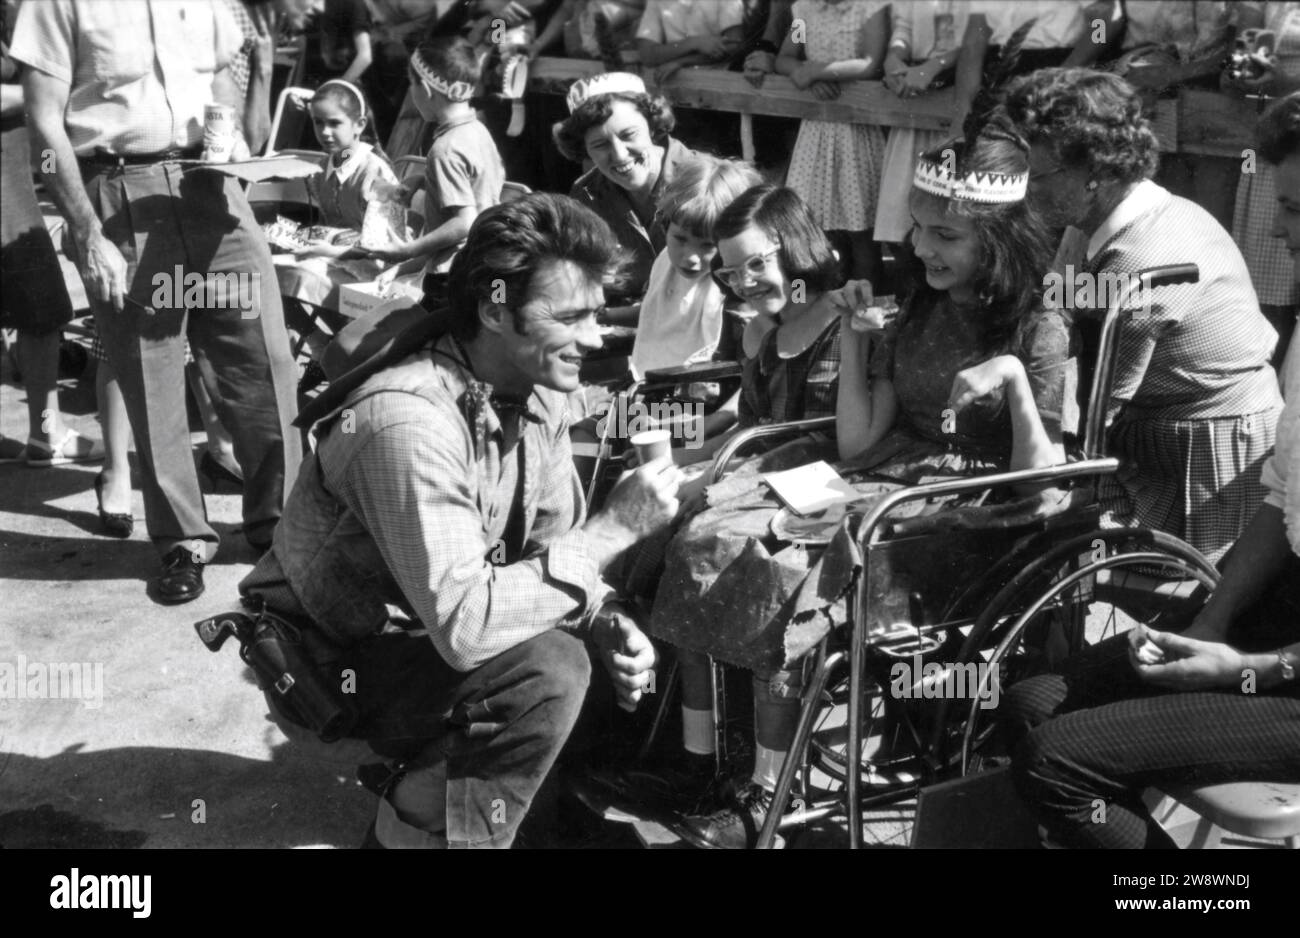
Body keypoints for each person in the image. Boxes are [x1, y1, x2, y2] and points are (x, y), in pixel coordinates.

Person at [238, 193, 682, 849]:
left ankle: (533, 811)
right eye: (571, 316)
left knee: (629, 636)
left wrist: (607, 618)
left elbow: (553, 548)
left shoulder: (538, 388)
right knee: (548, 672)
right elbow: (467, 630)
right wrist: (615, 529)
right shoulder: (406, 420)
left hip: (432, 623)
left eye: (596, 313)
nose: (594, 337)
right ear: (494, 307)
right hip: (334, 660)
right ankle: (413, 824)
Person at [1005, 96, 1300, 850]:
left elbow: (1099, 407)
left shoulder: (1142, 262)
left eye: (1295, 209)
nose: (1273, 230)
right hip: (1280, 612)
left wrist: (1251, 667)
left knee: (1058, 760)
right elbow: (1280, 499)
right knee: (1033, 700)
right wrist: (1214, 620)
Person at [13, 0, 302, 602]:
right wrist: (89, 230)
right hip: (121, 192)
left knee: (264, 361)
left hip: (214, 190)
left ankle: (284, 528)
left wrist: (236, 140)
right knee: (152, 375)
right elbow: (44, 127)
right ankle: (182, 542)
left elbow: (221, 70)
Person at [585, 184, 847, 848]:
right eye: (733, 269)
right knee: (665, 527)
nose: (745, 280)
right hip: (763, 473)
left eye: (758, 263)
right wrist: (685, 455)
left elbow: (832, 435)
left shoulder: (839, 325)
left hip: (815, 485)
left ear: (795, 248)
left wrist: (711, 466)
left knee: (716, 547)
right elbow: (752, 417)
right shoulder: (762, 327)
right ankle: (693, 755)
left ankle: (762, 786)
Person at [1000, 67, 1283, 566]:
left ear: (1094, 173)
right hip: (1150, 430)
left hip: (1206, 455)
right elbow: (1055, 313)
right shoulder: (1089, 225)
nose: (1027, 191)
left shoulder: (1140, 260)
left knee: (1064, 543)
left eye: (1037, 176)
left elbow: (1093, 418)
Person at [0, 0, 102, 468]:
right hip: (6, 186)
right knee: (41, 302)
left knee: (39, 308)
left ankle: (45, 434)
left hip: (15, 173)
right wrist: (54, 90)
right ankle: (47, 435)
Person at [366, 35, 504, 312]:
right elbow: (478, 190)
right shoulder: (478, 132)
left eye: (411, 84)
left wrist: (408, 251)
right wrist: (423, 182)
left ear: (426, 90)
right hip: (483, 265)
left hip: (451, 275)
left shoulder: (444, 149)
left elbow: (465, 222)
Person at [556, 71, 699, 307]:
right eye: (600, 145)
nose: (620, 155)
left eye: (629, 135)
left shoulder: (704, 182)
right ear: (584, 151)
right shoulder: (586, 196)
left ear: (652, 126)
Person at [775, 0, 889, 283]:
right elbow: (786, 57)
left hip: (856, 132)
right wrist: (807, 75)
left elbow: (870, 63)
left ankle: (866, 313)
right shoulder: (806, 11)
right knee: (818, 230)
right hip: (817, 130)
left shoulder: (870, 8)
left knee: (861, 232)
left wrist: (817, 71)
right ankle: (827, 314)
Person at [276, 80, 404, 326]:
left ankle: (331, 347)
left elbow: (380, 248)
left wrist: (325, 249)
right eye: (318, 122)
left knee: (297, 273)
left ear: (359, 125)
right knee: (263, 271)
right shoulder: (324, 168)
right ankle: (316, 342)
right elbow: (330, 226)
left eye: (335, 123)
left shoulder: (374, 172)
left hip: (374, 269)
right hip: (334, 257)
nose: (325, 132)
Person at [1227, 2, 1300, 367]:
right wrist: (1250, 71)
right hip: (1277, 143)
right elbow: (1247, 65)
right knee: (1267, 296)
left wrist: (1277, 77)